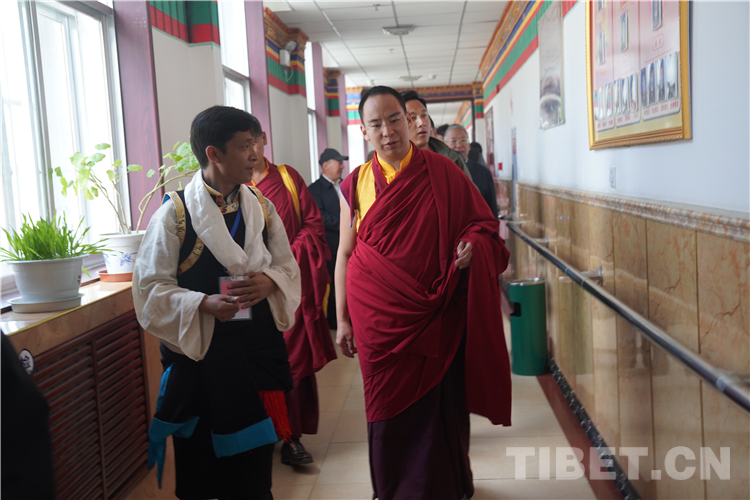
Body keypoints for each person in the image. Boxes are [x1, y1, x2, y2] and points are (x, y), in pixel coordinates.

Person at [335, 86, 512, 500]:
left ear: (411, 120)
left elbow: (483, 227)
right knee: (386, 409)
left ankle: (446, 487)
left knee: (440, 405)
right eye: (376, 124)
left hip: (438, 313)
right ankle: (395, 490)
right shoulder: (355, 184)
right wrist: (341, 319)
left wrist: (473, 246)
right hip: (379, 322)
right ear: (364, 131)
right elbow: (344, 253)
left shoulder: (443, 171)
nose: (388, 131)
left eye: (394, 119)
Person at [133, 106, 301, 500]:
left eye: (256, 143)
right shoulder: (174, 214)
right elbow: (149, 289)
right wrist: (201, 303)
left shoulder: (261, 206)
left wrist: (269, 281)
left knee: (255, 470)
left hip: (255, 351)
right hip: (203, 357)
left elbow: (287, 266)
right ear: (214, 153)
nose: (255, 154)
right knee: (203, 466)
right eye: (244, 146)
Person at [250, 138, 338, 466]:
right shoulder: (232, 187)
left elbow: (312, 225)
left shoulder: (287, 177)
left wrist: (286, 261)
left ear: (263, 140)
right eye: (241, 145)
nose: (249, 151)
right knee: (252, 363)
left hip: (290, 286)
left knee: (293, 362)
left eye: (252, 142)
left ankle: (291, 436)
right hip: (250, 288)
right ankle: (261, 433)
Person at [308, 148, 347, 331]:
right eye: (338, 162)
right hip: (330, 246)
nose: (342, 166)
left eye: (342, 162)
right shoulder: (315, 190)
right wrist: (347, 225)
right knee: (333, 283)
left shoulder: (344, 185)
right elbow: (320, 216)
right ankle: (333, 319)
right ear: (325, 165)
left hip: (348, 244)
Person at [401, 90, 472, 182]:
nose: (421, 123)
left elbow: (469, 190)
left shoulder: (453, 159)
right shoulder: (393, 165)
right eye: (412, 118)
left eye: (424, 115)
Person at [445, 125, 498, 217]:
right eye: (453, 141)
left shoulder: (483, 173)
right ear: (444, 146)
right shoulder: (439, 172)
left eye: (463, 140)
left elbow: (491, 207)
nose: (459, 145)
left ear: (469, 146)